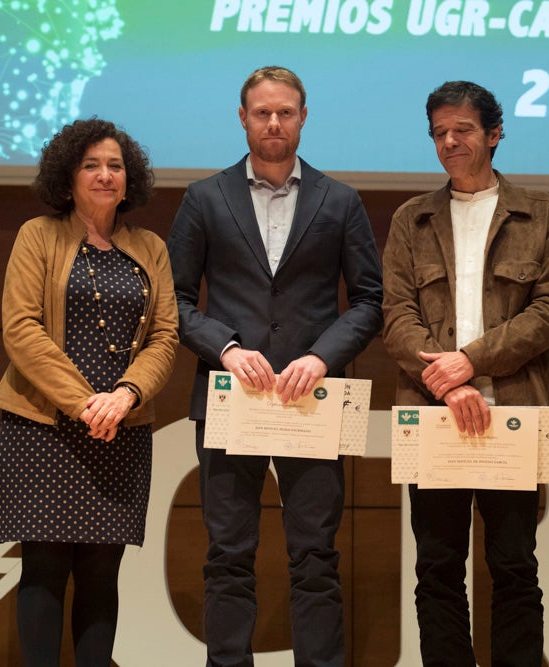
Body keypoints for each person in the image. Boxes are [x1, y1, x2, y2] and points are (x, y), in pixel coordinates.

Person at [167, 66, 383, 667]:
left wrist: (321, 356)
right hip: (230, 397)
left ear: (304, 117)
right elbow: (175, 301)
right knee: (229, 552)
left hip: (310, 399)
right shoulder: (204, 198)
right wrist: (227, 348)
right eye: (262, 113)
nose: (273, 123)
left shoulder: (339, 200)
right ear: (242, 118)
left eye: (285, 112)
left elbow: (370, 300)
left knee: (315, 555)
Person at [382, 80, 549, 666]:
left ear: (494, 133)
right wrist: (450, 381)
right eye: (439, 132)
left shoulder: (543, 214)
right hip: (434, 413)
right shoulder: (410, 219)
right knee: (436, 568)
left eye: (462, 130)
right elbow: (395, 316)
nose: (449, 141)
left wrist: (472, 361)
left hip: (513, 412)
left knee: (515, 565)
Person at [0, 118, 178, 666]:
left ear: (130, 177)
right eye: (91, 165)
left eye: (115, 165)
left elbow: (166, 336)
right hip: (42, 426)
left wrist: (124, 396)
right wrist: (84, 402)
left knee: (102, 571)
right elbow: (21, 327)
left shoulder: (151, 247)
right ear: (67, 175)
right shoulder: (37, 235)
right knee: (44, 567)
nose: (104, 175)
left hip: (121, 426)